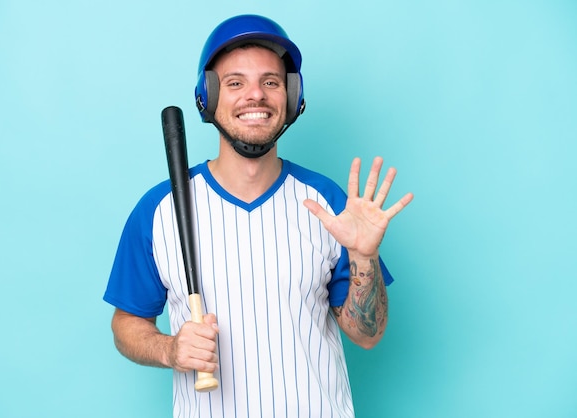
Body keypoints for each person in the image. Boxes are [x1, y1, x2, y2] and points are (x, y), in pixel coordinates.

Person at [104, 14, 413, 418]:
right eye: (235, 83)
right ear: (209, 96)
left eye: (271, 82)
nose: (256, 95)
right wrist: (170, 350)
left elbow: (367, 336)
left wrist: (364, 257)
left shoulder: (328, 202)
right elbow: (127, 324)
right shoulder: (159, 209)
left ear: (292, 97)